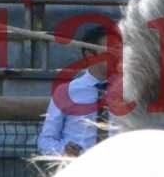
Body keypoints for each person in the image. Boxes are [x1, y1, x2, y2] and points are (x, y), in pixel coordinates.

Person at [38, 25, 111, 157]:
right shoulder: (66, 92)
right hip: (78, 170)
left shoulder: (132, 91)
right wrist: (63, 150)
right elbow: (45, 141)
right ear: (90, 55)